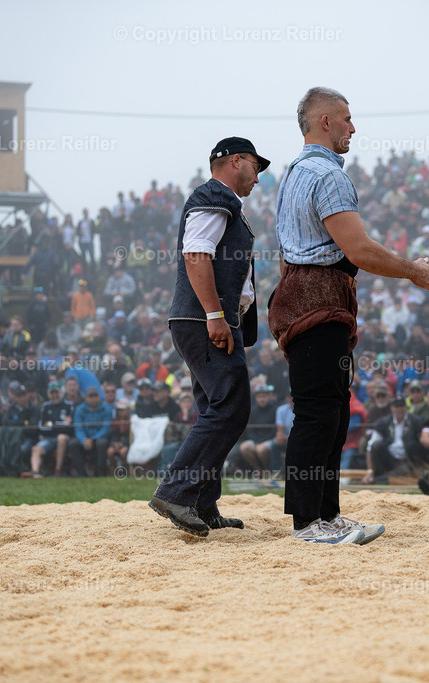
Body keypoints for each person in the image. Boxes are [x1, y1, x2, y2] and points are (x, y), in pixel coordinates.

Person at [269, 87, 429, 545]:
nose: (353, 126)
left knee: (328, 412)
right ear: (324, 122)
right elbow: (359, 249)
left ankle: (324, 517)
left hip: (303, 295)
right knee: (319, 414)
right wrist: (414, 271)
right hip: (319, 299)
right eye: (346, 118)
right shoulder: (327, 175)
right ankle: (310, 523)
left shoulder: (294, 174)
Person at [150, 136, 270, 537]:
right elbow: (196, 255)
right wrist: (216, 315)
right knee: (229, 408)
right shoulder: (214, 196)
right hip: (207, 321)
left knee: (215, 408)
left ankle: (202, 502)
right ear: (236, 161)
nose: (258, 177)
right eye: (255, 166)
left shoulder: (219, 199)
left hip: (200, 319)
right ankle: (178, 493)